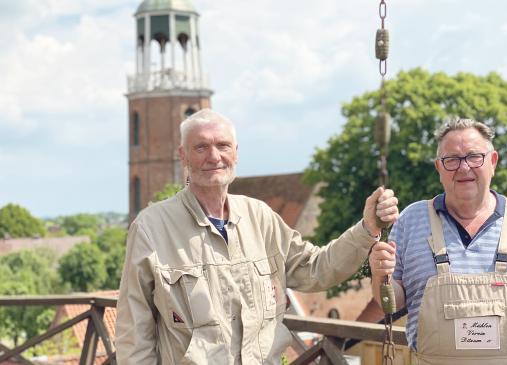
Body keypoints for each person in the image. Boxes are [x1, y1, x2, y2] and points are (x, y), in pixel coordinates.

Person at [115, 108, 399, 364]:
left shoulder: (260, 218)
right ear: (183, 156)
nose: (213, 156)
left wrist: (367, 229)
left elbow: (316, 269)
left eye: (222, 145)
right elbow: (133, 334)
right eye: (201, 147)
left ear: (236, 153)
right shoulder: (152, 227)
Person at [369, 118, 507, 365]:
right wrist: (380, 276)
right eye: (451, 160)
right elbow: (393, 303)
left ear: (493, 161)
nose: (464, 168)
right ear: (438, 168)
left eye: (474, 157)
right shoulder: (411, 220)